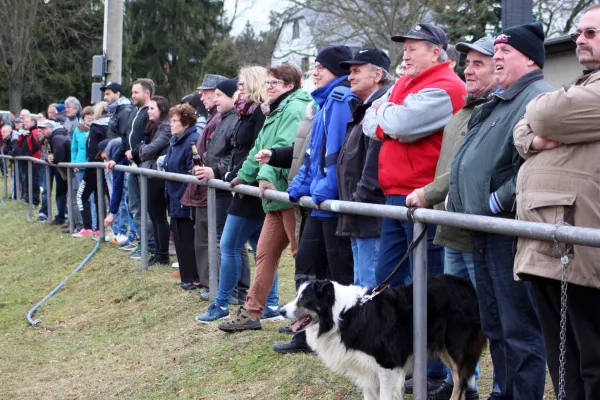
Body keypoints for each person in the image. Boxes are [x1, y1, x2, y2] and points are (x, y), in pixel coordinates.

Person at [447, 22, 552, 400]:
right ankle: (504, 394)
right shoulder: (502, 100)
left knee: (520, 329)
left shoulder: (537, 97)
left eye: (506, 52)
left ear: (529, 58)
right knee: (495, 325)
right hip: (482, 229)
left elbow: (535, 163)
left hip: (507, 229)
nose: (498, 58)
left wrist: (497, 201)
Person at [362, 23, 467, 393]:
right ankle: (396, 358)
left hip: (424, 197)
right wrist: (390, 117)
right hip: (396, 197)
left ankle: (436, 371)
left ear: (436, 52)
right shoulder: (405, 83)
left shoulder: (446, 85)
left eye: (413, 48)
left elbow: (400, 123)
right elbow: (370, 118)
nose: (404, 55)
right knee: (386, 282)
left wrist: (389, 116)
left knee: (427, 285)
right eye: (403, 48)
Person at [513, 6, 600, 398]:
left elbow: (543, 113)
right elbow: (521, 132)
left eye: (592, 33)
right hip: (549, 237)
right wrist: (535, 135)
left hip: (582, 245)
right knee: (562, 357)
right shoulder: (584, 86)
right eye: (580, 32)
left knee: (591, 358)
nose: (581, 39)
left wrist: (538, 117)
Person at [405, 36, 497, 400]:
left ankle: (503, 390)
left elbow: (476, 171)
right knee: (456, 319)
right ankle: (463, 383)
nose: (468, 70)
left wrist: (428, 193)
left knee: (492, 318)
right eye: (467, 63)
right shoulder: (463, 111)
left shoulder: (492, 110)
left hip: (481, 231)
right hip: (452, 229)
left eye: (479, 64)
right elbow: (454, 168)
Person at [216, 64, 312, 334]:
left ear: (290, 85)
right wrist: (243, 177)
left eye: (276, 83)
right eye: (268, 82)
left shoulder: (294, 108)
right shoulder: (274, 110)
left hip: (287, 195)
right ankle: (252, 312)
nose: (269, 87)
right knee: (265, 254)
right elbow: (259, 148)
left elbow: (281, 149)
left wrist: (265, 178)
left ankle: (306, 316)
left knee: (301, 256)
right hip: (274, 199)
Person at [195, 66, 282, 323]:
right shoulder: (245, 113)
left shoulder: (258, 115)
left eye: (243, 84)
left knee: (230, 245)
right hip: (242, 184)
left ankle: (222, 303)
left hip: (251, 189)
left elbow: (256, 151)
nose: (239, 88)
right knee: (259, 249)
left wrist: (240, 175)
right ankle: (272, 304)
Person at [194, 77, 254, 303]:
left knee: (229, 241)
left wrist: (215, 172)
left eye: (219, 95)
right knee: (230, 241)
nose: (214, 99)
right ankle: (231, 290)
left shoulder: (234, 120)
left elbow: (233, 156)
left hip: (226, 187)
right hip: (220, 185)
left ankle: (233, 291)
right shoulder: (224, 119)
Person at [336, 48, 391, 288]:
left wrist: (358, 201)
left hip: (369, 212)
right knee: (360, 285)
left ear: (377, 74)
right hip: (358, 210)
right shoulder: (362, 107)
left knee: (369, 287)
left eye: (357, 71)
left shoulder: (380, 108)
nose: (350, 77)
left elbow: (374, 167)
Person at [180, 73, 227, 296]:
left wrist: (206, 167)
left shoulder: (219, 118)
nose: (202, 95)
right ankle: (210, 283)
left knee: (210, 240)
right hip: (202, 185)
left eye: (207, 92)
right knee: (204, 238)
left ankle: (212, 284)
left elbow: (215, 152)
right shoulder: (212, 117)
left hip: (210, 186)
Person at [108, 78, 156, 260]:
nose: (133, 95)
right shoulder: (133, 112)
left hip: (143, 165)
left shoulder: (150, 114)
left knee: (145, 208)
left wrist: (135, 153)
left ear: (147, 94)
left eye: (136, 92)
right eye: (132, 92)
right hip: (132, 166)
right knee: (134, 206)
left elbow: (150, 142)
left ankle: (149, 246)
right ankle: (141, 241)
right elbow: (124, 138)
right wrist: (116, 159)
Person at [163, 104, 200, 290]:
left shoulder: (192, 141)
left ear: (186, 123)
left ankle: (193, 277)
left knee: (187, 238)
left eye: (175, 121)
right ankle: (186, 275)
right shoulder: (175, 141)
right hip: (174, 197)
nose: (171, 124)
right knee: (179, 238)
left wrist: (181, 196)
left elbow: (191, 172)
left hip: (186, 200)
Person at [100, 82, 135, 245]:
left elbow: (124, 139)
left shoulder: (125, 111)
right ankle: (120, 231)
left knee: (125, 197)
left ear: (118, 94)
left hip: (122, 158)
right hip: (115, 156)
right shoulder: (115, 111)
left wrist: (118, 157)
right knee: (118, 194)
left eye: (108, 94)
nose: (105, 97)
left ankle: (129, 233)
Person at [140, 96, 172, 265]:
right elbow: (144, 149)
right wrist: (144, 150)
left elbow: (149, 149)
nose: (148, 111)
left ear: (162, 110)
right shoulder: (154, 127)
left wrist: (144, 150)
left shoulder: (166, 128)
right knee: (153, 215)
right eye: (148, 108)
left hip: (158, 175)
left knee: (159, 216)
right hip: (151, 172)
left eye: (152, 108)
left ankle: (163, 255)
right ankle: (158, 253)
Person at [73, 102, 108, 238]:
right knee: (101, 198)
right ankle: (99, 228)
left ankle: (87, 227)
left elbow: (93, 150)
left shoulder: (95, 128)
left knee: (81, 196)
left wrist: (89, 168)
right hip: (105, 167)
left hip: (94, 168)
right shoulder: (111, 126)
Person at [40, 120, 70, 225]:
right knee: (62, 193)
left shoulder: (57, 138)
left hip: (66, 170)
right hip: (64, 170)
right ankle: (62, 216)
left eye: (44, 129)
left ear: (51, 128)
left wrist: (53, 158)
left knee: (62, 193)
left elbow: (59, 157)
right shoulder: (55, 137)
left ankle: (62, 216)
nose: (42, 131)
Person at [71, 106, 96, 231]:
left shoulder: (95, 129)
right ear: (83, 117)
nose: (90, 117)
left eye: (92, 115)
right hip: (79, 167)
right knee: (82, 197)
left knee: (92, 197)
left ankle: (94, 225)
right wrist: (74, 163)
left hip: (91, 166)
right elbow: (74, 148)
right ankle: (86, 224)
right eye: (87, 115)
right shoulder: (78, 130)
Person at [16, 115, 42, 206]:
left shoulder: (34, 131)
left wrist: (29, 154)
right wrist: (22, 136)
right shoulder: (28, 133)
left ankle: (35, 200)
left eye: (27, 121)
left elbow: (37, 145)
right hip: (28, 162)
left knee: (34, 181)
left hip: (34, 161)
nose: (24, 123)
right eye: (24, 121)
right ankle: (28, 199)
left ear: (33, 122)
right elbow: (19, 144)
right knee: (27, 180)